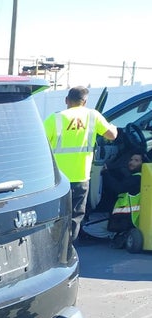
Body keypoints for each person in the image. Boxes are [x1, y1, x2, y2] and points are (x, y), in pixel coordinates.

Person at [44, 86, 118, 241]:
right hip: (81, 176)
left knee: (56, 214)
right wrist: (113, 127)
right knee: (75, 215)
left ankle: (53, 244)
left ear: (66, 100)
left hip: (58, 179)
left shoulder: (55, 118)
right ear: (85, 102)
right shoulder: (93, 116)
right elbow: (111, 136)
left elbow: (41, 144)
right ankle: (68, 248)